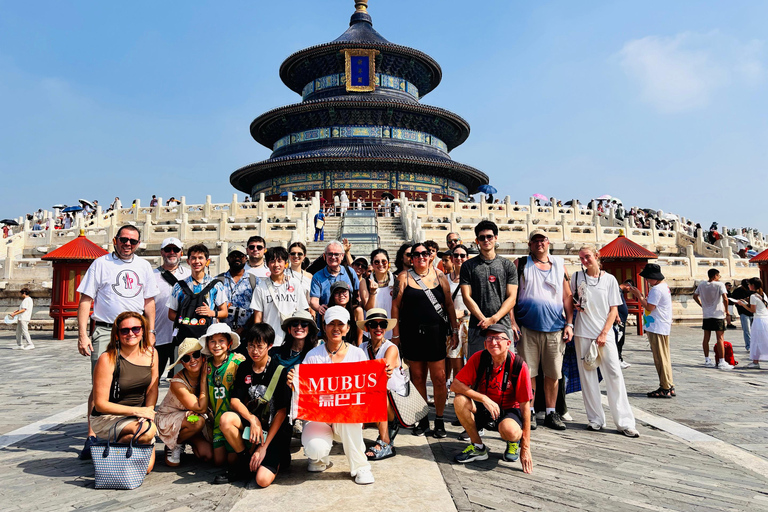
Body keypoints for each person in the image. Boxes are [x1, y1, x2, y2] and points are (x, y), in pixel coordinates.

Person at [76, 224, 159, 458]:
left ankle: (130, 422)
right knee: (100, 382)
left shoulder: (143, 266)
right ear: (115, 240)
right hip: (106, 329)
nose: (128, 244)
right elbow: (86, 300)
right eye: (124, 240)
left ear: (139, 244)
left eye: (133, 241)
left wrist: (150, 330)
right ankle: (92, 435)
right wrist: (83, 334)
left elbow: (149, 302)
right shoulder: (101, 264)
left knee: (139, 378)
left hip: (136, 331)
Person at [289, 306, 375, 485]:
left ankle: (360, 466)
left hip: (346, 417)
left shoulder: (358, 354)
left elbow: (368, 388)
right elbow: (304, 389)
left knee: (349, 416)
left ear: (348, 328)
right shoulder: (313, 356)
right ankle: (320, 459)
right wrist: (293, 382)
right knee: (315, 448)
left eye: (340, 324)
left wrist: (382, 376)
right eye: (331, 324)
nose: (336, 328)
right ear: (324, 326)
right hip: (319, 417)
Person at [391, 242, 459, 438]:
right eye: (417, 254)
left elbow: (449, 305)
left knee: (439, 378)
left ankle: (438, 419)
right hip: (411, 333)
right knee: (418, 377)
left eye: (426, 253)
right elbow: (395, 307)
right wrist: (395, 336)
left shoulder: (440, 277)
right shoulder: (403, 278)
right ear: (411, 258)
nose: (422, 256)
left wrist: (454, 330)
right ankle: (422, 418)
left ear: (431, 256)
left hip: (436, 333)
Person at [571, 246, 639, 437]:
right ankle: (595, 419)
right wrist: (575, 305)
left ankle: (625, 421)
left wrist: (604, 333)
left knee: (614, 374)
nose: (584, 261)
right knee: (588, 376)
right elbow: (570, 300)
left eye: (587, 257)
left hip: (605, 332)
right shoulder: (576, 277)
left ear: (597, 257)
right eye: (581, 258)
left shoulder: (609, 279)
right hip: (583, 331)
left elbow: (613, 309)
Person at [513, 229, 574, 431]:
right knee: (528, 374)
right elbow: (511, 297)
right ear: (530, 244)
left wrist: (569, 323)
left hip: (555, 327)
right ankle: (529, 411)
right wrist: (512, 322)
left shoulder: (559, 265)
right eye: (535, 240)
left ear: (548, 243)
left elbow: (567, 296)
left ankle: (550, 412)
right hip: (527, 327)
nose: (539, 243)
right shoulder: (520, 264)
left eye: (543, 240)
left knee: (553, 374)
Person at [451, 324, 533, 473]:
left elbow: (525, 406)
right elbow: (455, 385)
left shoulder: (518, 365)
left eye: (498, 338)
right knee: (459, 400)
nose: (493, 342)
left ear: (508, 343)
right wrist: (483, 398)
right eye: (489, 338)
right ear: (484, 344)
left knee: (510, 430)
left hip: (509, 411)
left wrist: (526, 447)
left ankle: (513, 442)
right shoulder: (479, 358)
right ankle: (478, 447)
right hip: (485, 407)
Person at [218, 323, 291, 487]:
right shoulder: (244, 367)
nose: (254, 351)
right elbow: (235, 400)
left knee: (262, 480)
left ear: (270, 346)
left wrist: (263, 447)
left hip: (274, 432)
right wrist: (252, 420)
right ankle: (245, 460)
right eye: (251, 346)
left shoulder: (279, 370)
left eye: (260, 346)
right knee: (226, 419)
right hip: (254, 428)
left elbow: (281, 412)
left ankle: (276, 457)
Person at [89, 312, 159, 472]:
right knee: (147, 431)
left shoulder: (152, 354)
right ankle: (118, 447)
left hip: (139, 417)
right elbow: (100, 405)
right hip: (108, 417)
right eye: (124, 330)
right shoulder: (107, 359)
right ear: (117, 334)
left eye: (136, 329)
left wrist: (147, 411)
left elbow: (152, 389)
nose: (131, 334)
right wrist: (138, 411)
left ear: (143, 330)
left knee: (146, 468)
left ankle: (116, 448)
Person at [460, 220, 518, 357]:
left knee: (505, 371)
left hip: (503, 326)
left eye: (489, 236)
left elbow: (512, 297)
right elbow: (466, 296)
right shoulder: (468, 266)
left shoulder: (507, 266)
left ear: (495, 238)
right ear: (477, 241)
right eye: (482, 237)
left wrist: (493, 319)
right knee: (478, 370)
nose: (486, 240)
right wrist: (483, 320)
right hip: (478, 327)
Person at [155, 338, 213, 467]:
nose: (192, 360)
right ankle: (174, 443)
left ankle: (187, 439)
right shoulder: (177, 382)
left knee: (208, 455)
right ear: (182, 363)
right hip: (170, 418)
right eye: (186, 358)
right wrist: (203, 381)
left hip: (190, 417)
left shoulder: (210, 372)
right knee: (198, 422)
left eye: (196, 355)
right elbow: (201, 408)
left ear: (203, 356)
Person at [201, 323, 247, 482]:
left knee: (232, 460)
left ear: (229, 344)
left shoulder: (237, 362)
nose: (217, 345)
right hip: (216, 420)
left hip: (233, 418)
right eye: (212, 341)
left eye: (221, 341)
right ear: (207, 344)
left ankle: (243, 446)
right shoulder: (205, 365)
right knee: (219, 461)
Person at [359, 309, 404, 460]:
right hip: (372, 398)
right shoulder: (362, 348)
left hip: (394, 402)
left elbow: (384, 371)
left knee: (379, 389)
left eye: (382, 324)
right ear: (367, 328)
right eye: (373, 324)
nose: (378, 328)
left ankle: (385, 442)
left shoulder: (391, 348)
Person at [167, 244, 229, 344]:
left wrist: (212, 313)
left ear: (207, 261)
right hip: (185, 337)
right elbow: (171, 314)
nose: (197, 261)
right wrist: (186, 317)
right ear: (188, 261)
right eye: (193, 258)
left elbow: (224, 312)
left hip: (208, 336)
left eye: (200, 258)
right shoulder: (179, 286)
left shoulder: (216, 285)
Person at [629, 264, 675, 398]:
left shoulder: (656, 290)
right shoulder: (664, 286)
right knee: (665, 356)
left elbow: (649, 306)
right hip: (662, 325)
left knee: (660, 358)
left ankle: (665, 387)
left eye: (649, 278)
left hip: (657, 326)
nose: (647, 281)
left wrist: (638, 295)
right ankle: (669, 384)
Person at [251, 246, 310, 347]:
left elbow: (303, 312)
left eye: (279, 261)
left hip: (292, 341)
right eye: (272, 261)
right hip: (270, 342)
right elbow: (258, 319)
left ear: (286, 263)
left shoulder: (295, 284)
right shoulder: (260, 288)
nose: (276, 265)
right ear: (267, 264)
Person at [153, 237, 190, 378]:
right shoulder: (152, 275)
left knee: (181, 380)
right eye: (168, 249)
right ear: (162, 252)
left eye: (176, 249)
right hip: (158, 335)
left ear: (181, 253)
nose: (172, 253)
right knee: (153, 379)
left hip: (183, 335)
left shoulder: (189, 275)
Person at [693, 269, 733, 370]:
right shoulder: (720, 285)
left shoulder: (702, 284)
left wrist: (702, 305)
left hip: (707, 314)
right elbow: (725, 298)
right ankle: (721, 361)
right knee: (720, 338)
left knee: (706, 337)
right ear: (715, 276)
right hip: (718, 314)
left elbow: (695, 296)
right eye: (718, 275)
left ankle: (707, 359)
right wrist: (727, 311)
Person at [309, 241, 360, 317]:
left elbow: (358, 295)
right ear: (324, 256)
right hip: (327, 318)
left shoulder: (350, 272)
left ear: (342, 256)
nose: (333, 257)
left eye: (336, 254)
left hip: (348, 318)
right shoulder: (317, 276)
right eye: (330, 254)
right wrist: (319, 308)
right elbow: (314, 301)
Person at [446, 245, 470, 389]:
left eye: (462, 255)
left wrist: (465, 313)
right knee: (457, 365)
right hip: (452, 326)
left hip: (468, 323)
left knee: (472, 363)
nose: (459, 258)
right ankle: (458, 399)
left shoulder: (472, 278)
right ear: (451, 258)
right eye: (456, 255)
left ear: (467, 258)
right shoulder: (445, 278)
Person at [219, 245, 257, 335]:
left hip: (248, 333)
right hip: (223, 333)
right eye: (233, 256)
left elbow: (258, 309)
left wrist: (245, 328)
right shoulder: (218, 280)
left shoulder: (254, 281)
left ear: (246, 258)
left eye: (240, 256)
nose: (237, 259)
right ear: (228, 259)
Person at [363, 249, 396, 337]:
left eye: (384, 261)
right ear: (372, 265)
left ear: (388, 263)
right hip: (372, 331)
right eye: (376, 262)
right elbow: (368, 309)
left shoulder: (396, 280)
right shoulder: (364, 282)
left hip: (391, 331)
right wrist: (372, 293)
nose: (381, 264)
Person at [737, 278, 768, 369]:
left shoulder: (753, 296)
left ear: (753, 285)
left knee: (756, 340)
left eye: (749, 284)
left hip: (759, 320)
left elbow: (752, 310)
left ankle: (755, 362)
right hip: (765, 318)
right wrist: (746, 303)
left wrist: (743, 305)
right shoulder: (763, 294)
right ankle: (755, 361)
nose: (748, 286)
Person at [327, 281, 365, 346]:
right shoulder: (328, 312)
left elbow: (360, 337)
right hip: (334, 346)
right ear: (332, 296)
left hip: (352, 346)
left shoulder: (357, 310)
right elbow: (326, 336)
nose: (341, 295)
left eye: (344, 292)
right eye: (337, 292)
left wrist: (359, 352)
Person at [287, 242, 313, 309]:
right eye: (293, 253)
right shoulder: (283, 274)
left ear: (304, 256)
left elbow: (312, 299)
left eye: (299, 254)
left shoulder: (309, 277)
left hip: (305, 313)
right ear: (289, 255)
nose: (296, 256)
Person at [615, 279, 634, 369]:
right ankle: (617, 359)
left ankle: (620, 359)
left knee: (621, 340)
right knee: (618, 341)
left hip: (622, 319)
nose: (628, 291)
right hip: (619, 320)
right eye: (629, 289)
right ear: (627, 285)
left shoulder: (620, 292)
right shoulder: (616, 291)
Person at [731, 279, 754, 351]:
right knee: (747, 330)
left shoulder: (752, 290)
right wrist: (741, 301)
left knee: (754, 330)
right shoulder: (737, 291)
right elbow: (733, 301)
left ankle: (755, 345)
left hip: (753, 312)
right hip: (743, 312)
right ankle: (749, 346)